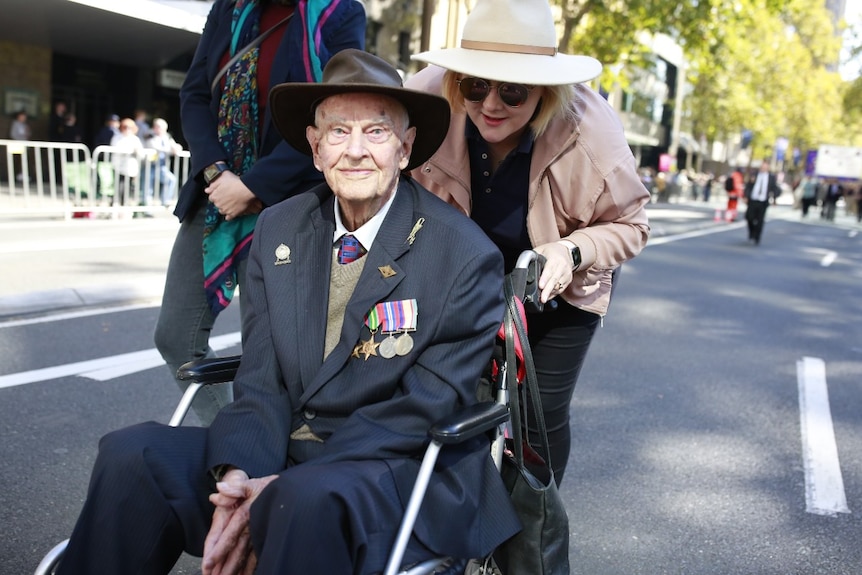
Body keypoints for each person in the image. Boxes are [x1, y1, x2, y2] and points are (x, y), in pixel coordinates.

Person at [56, 48, 520, 575]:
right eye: (338, 132)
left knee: (299, 501)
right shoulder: (279, 227)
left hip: (394, 467)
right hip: (281, 456)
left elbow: (427, 407)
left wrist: (277, 488)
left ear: (406, 148)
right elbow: (260, 376)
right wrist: (240, 473)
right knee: (132, 455)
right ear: (315, 149)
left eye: (376, 132)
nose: (355, 151)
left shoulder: (463, 254)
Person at [406, 0, 650, 485]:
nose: (491, 105)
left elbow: (631, 225)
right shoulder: (423, 102)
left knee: (540, 416)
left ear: (545, 90)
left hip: (559, 284)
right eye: (475, 85)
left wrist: (570, 251)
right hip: (456, 276)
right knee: (433, 394)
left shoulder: (593, 135)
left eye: (513, 92)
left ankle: (534, 538)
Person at [154, 0, 366, 425]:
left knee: (271, 354)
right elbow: (195, 94)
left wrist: (254, 185)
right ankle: (233, 448)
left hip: (291, 201)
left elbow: (335, 114)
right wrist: (218, 173)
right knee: (176, 336)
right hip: (215, 196)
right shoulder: (229, 9)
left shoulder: (340, 13)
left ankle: (266, 465)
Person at [143, 117, 184, 207]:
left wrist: (177, 148)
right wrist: (170, 150)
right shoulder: (150, 135)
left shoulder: (167, 137)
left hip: (161, 166)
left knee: (171, 180)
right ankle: (146, 208)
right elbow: (155, 147)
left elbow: (175, 146)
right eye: (160, 128)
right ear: (155, 127)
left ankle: (165, 200)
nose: (162, 130)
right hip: (150, 165)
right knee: (148, 187)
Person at [742, 160, 779, 245]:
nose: (763, 169)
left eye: (765, 167)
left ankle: (757, 237)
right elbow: (748, 186)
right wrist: (746, 196)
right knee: (749, 217)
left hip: (763, 201)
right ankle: (752, 231)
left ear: (768, 168)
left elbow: (774, 189)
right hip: (753, 200)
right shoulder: (754, 175)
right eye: (762, 167)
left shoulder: (771, 177)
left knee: (760, 220)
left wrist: (774, 199)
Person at [110, 117, 146, 206]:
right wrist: (131, 150)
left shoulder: (135, 139)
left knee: (128, 187)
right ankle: (116, 203)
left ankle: (124, 204)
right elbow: (116, 149)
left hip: (131, 167)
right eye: (125, 127)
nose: (127, 130)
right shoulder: (117, 137)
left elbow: (141, 152)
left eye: (129, 128)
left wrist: (137, 152)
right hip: (119, 166)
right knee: (119, 186)